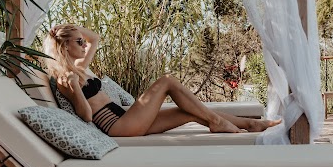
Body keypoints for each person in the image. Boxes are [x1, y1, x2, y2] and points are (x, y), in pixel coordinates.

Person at [42, 23, 281, 137]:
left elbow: (95, 38)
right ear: (64, 47)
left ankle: (250, 124)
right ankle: (218, 122)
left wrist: (71, 28)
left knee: (188, 112)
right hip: (118, 126)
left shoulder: (80, 68)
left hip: (125, 118)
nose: (84, 44)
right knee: (167, 81)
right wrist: (75, 88)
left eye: (81, 40)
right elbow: (86, 115)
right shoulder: (66, 78)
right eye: (78, 42)